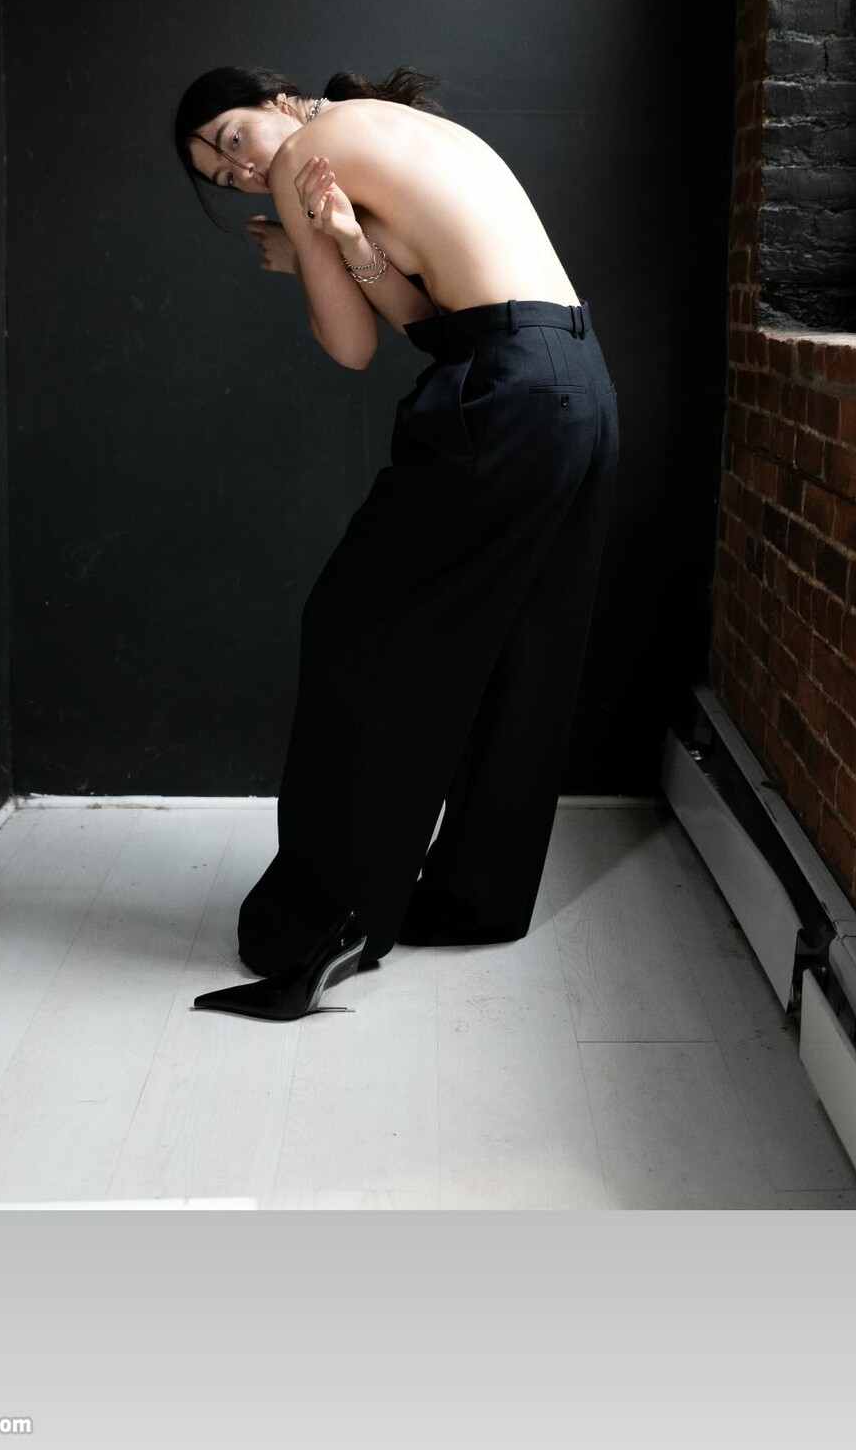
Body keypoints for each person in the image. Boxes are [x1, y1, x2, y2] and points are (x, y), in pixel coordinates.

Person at [174, 64, 619, 1010]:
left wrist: (308, 257)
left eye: (231, 139)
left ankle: (323, 920)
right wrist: (345, 245)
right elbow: (435, 320)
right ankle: (472, 898)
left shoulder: (303, 153)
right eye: (222, 176)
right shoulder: (390, 128)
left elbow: (352, 348)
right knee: (525, 642)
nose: (241, 171)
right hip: (576, 382)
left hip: (510, 396)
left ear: (275, 98)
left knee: (356, 628)